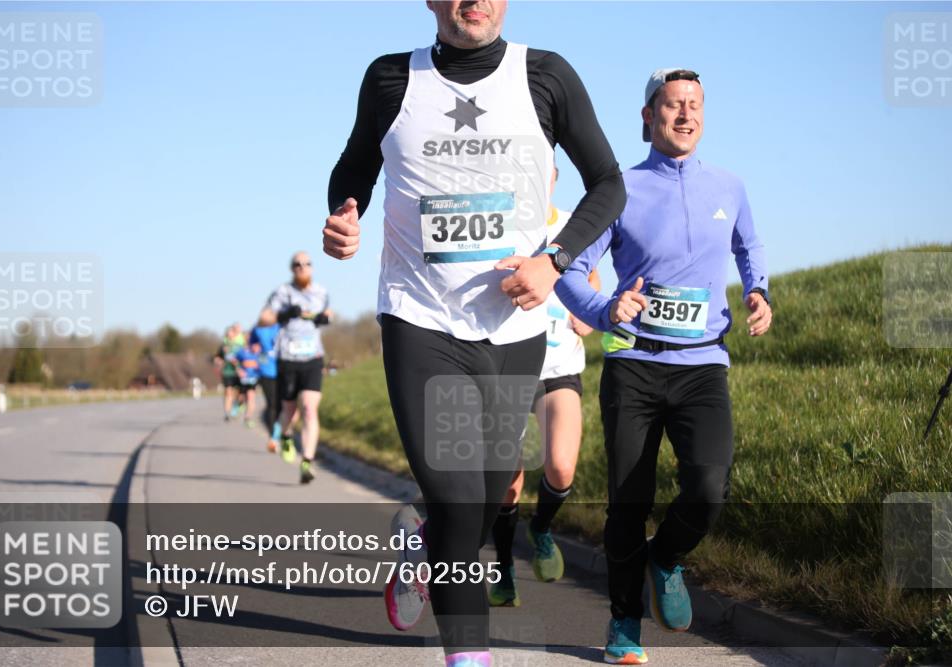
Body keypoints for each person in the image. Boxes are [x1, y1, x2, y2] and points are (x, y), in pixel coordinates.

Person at [324, 2, 626, 664]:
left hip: (512, 327)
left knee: (489, 496)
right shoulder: (390, 80)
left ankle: (424, 543)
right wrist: (343, 213)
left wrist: (556, 259)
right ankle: (468, 654)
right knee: (461, 500)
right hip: (419, 319)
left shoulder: (546, 77)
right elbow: (353, 168)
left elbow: (608, 184)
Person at [556, 68, 772, 665]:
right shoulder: (617, 189)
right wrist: (605, 308)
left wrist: (759, 292)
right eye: (673, 105)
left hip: (704, 364)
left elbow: (749, 247)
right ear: (648, 117)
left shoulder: (729, 187)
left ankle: (668, 557)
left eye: (695, 105)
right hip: (634, 365)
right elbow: (567, 271)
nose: (685, 115)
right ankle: (624, 624)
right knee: (629, 501)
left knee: (708, 488)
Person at [488, 168, 601, 607]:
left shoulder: (573, 223)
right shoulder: (500, 224)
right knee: (508, 482)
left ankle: (541, 529)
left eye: (543, 170)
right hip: (510, 364)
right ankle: (502, 567)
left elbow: (591, 279)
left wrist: (588, 314)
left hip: (559, 363)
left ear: (553, 176)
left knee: (561, 468)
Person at [266, 251, 331, 484]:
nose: (302, 267)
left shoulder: (321, 292)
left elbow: (329, 312)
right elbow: (265, 318)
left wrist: (325, 318)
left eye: (306, 264)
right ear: (291, 269)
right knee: (289, 411)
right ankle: (285, 436)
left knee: (309, 409)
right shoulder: (283, 292)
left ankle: (307, 461)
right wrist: (284, 313)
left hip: (312, 358)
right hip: (288, 358)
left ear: (312, 267)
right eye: (297, 264)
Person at [250, 309, 282, 452]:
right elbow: (252, 346)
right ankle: (273, 436)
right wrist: (257, 351)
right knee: (271, 404)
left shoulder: (281, 326)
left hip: (283, 369)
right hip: (266, 370)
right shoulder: (256, 330)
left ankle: (281, 433)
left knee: (282, 405)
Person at [214, 324, 245, 421]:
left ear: (235, 334)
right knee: (228, 392)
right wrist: (218, 361)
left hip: (239, 372)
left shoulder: (240, 346)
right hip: (227, 372)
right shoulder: (223, 346)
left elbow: (245, 358)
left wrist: (239, 364)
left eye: (231, 332)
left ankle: (237, 405)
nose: (229, 334)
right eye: (228, 333)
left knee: (240, 394)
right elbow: (217, 357)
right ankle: (227, 413)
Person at [232, 335, 262, 429]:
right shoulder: (242, 351)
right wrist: (239, 370)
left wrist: (260, 367)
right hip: (243, 378)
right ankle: (238, 405)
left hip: (254, 378)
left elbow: (265, 362)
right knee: (241, 397)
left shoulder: (260, 351)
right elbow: (234, 360)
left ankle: (248, 418)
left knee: (251, 397)